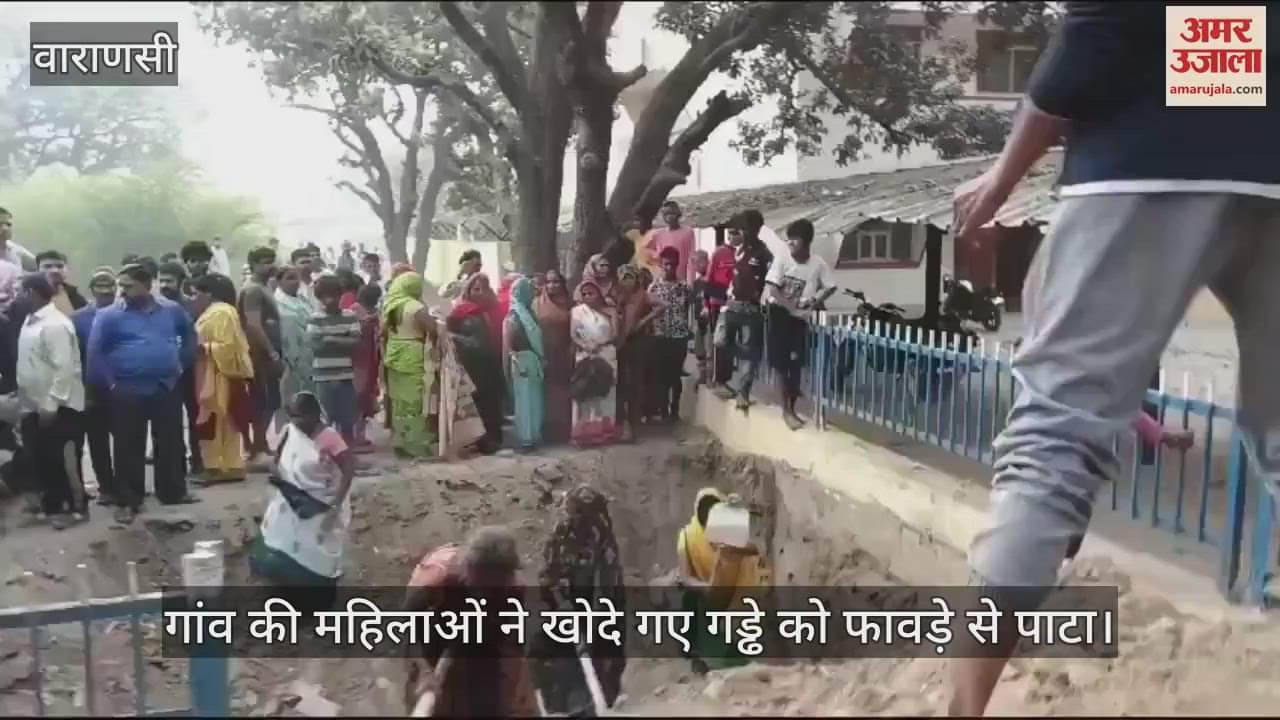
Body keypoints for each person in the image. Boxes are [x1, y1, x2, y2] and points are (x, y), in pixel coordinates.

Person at [947, 2, 1280, 714]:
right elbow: (1224, 40)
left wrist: (1001, 178)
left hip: (1140, 162)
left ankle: (965, 708)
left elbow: (1102, 34)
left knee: (1056, 433)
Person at [88, 263, 199, 524]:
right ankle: (128, 500)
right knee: (128, 446)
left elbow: (190, 334)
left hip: (165, 386)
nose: (121, 292)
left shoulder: (170, 310)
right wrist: (111, 383)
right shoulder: (109, 315)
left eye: (128, 286)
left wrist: (181, 363)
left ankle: (172, 492)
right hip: (127, 390)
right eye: (120, 286)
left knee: (170, 442)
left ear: (147, 285)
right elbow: (96, 352)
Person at [402, 526, 538, 718]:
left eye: (495, 584)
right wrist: (424, 669)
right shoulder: (436, 578)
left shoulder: (512, 590)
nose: (487, 591)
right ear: (469, 568)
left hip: (479, 632)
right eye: (483, 583)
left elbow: (511, 643)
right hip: (435, 628)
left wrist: (517, 687)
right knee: (429, 697)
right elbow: (407, 625)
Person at [249, 391, 354, 613]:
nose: (297, 423)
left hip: (322, 505)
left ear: (315, 415)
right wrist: (277, 473)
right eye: (294, 417)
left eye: (301, 417)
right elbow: (277, 459)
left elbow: (348, 469)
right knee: (282, 545)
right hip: (291, 499)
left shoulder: (329, 437)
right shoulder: (290, 431)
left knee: (317, 553)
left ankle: (319, 603)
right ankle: (286, 598)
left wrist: (336, 505)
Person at [533, 486, 626, 714]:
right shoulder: (561, 533)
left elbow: (607, 587)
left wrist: (592, 627)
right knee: (546, 651)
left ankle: (606, 700)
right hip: (564, 601)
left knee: (608, 649)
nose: (572, 517)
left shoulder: (602, 535)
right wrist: (564, 610)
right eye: (571, 512)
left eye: (578, 513)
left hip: (600, 602)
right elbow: (547, 576)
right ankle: (558, 704)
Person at [16, 273, 87, 530]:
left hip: (58, 405)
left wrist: (52, 402)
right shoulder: (29, 321)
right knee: (42, 456)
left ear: (32, 293)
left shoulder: (55, 324)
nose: (15, 296)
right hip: (33, 404)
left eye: (19, 291)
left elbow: (64, 368)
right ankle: (53, 504)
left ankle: (75, 508)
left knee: (63, 457)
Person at [677, 488, 763, 673]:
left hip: (738, 590)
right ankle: (694, 653)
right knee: (687, 597)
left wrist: (734, 547)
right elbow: (685, 577)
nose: (708, 515)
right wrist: (706, 587)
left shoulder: (730, 527)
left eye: (713, 509)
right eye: (704, 510)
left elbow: (756, 549)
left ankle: (740, 655)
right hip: (708, 590)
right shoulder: (687, 535)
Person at [765, 218, 835, 430]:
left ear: (806, 242)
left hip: (800, 318)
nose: (790, 245)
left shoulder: (817, 263)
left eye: (794, 241)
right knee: (780, 364)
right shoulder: (782, 259)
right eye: (788, 241)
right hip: (779, 314)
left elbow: (831, 286)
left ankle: (792, 405)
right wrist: (791, 308)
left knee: (796, 363)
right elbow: (773, 290)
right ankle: (786, 409)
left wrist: (814, 303)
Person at [192, 274, 255, 485]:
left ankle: (224, 466)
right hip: (211, 371)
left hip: (220, 374)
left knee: (221, 420)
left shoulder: (221, 313)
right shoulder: (216, 312)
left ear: (208, 293)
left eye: (196, 293)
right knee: (219, 420)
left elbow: (227, 347)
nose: (194, 299)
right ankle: (221, 464)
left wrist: (203, 348)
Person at [712, 210, 772, 412]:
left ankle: (743, 392)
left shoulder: (764, 254)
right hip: (732, 305)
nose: (745, 233)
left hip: (751, 308)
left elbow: (770, 283)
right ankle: (721, 380)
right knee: (719, 341)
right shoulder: (737, 251)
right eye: (743, 229)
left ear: (757, 229)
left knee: (749, 353)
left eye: (749, 229)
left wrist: (761, 300)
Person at [71, 268, 118, 507]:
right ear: (91, 289)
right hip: (92, 390)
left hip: (121, 388)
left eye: (109, 285)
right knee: (98, 442)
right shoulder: (78, 318)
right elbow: (74, 357)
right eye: (99, 286)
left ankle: (126, 486)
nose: (104, 291)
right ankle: (106, 488)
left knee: (124, 440)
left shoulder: (124, 314)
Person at [447, 273, 506, 454]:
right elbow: (462, 338)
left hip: (492, 362)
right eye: (475, 289)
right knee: (476, 402)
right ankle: (478, 441)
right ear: (468, 290)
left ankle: (492, 440)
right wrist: (453, 337)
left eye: (484, 289)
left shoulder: (493, 311)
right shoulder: (462, 312)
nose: (480, 293)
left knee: (491, 404)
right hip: (470, 364)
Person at [382, 271, 438, 459]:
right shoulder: (414, 306)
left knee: (399, 402)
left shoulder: (390, 305)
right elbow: (432, 329)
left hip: (393, 353)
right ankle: (417, 445)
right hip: (413, 353)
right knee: (415, 400)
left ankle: (400, 441)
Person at [237, 246, 285, 465]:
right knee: (262, 401)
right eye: (265, 262)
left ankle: (261, 444)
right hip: (259, 353)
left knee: (271, 400)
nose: (270, 266)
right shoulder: (253, 290)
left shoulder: (265, 287)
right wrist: (271, 351)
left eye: (271, 261)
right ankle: (255, 449)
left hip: (267, 351)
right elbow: (254, 325)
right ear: (254, 264)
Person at [159, 260, 206, 477]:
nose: (164, 285)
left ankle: (198, 460)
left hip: (190, 370)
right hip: (165, 373)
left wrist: (184, 362)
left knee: (195, 417)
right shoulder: (155, 307)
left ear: (181, 282)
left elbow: (194, 339)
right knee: (170, 421)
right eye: (161, 280)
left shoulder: (193, 307)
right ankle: (175, 464)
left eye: (169, 281)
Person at [308, 275, 361, 445]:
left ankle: (347, 454)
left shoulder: (350, 316)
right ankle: (326, 454)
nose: (329, 300)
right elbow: (316, 347)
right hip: (323, 377)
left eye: (333, 295)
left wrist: (331, 339)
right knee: (326, 418)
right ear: (319, 297)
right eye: (324, 296)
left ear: (341, 296)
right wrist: (343, 340)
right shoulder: (314, 318)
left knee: (348, 418)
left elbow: (356, 344)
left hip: (345, 376)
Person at [615, 264, 663, 441]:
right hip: (618, 342)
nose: (627, 281)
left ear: (636, 279)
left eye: (630, 277)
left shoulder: (642, 295)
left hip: (637, 341)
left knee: (635, 382)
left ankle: (634, 423)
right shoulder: (616, 295)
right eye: (624, 277)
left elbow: (663, 305)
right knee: (619, 382)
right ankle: (620, 423)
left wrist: (643, 321)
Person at [648, 247, 696, 423]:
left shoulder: (684, 287)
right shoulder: (654, 287)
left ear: (677, 265)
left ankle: (675, 408)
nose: (669, 267)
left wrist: (691, 330)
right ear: (661, 264)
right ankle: (662, 409)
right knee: (661, 374)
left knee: (675, 374)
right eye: (666, 264)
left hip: (679, 335)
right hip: (660, 335)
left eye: (673, 264)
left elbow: (690, 310)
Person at [569, 280, 619, 447]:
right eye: (584, 294)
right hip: (585, 355)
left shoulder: (610, 311)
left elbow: (615, 334)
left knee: (605, 394)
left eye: (591, 293)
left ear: (599, 294)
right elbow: (573, 334)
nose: (588, 297)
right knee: (584, 392)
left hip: (605, 353)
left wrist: (599, 344)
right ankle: (582, 435)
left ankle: (603, 434)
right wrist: (587, 346)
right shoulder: (576, 312)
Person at [504, 276, 544, 452]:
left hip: (532, 359)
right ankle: (526, 438)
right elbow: (512, 337)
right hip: (522, 360)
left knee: (534, 399)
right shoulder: (515, 314)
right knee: (525, 400)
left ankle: (533, 435)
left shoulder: (527, 312)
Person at [273, 264, 315, 429]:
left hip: (308, 356)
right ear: (279, 281)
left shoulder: (303, 300)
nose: (294, 282)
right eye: (289, 278)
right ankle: (287, 439)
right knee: (289, 401)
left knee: (308, 401)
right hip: (287, 358)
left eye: (296, 277)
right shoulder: (276, 302)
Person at [535, 269, 574, 445]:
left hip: (564, 354)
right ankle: (547, 431)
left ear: (562, 284)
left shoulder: (570, 305)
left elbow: (576, 328)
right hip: (542, 354)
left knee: (562, 394)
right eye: (548, 282)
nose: (552, 286)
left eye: (556, 282)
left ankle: (563, 430)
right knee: (546, 395)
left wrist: (572, 348)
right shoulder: (536, 304)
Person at [352, 283, 383, 450]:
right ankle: (355, 437)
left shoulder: (374, 312)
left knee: (365, 398)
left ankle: (360, 436)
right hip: (358, 362)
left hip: (370, 361)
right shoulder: (354, 311)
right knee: (358, 398)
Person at [647, 200, 698, 283]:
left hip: (681, 280)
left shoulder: (688, 232)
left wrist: (690, 281)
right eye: (666, 214)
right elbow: (647, 252)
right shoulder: (658, 234)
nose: (669, 216)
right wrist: (657, 262)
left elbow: (691, 258)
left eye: (672, 213)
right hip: (663, 281)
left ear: (678, 214)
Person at [35, 251, 88, 317]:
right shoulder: (26, 297)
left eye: (60, 266)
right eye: (48, 266)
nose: (55, 270)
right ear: (37, 270)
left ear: (66, 269)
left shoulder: (75, 297)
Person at [690, 249, 712, 386]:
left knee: (710, 350)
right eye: (693, 263)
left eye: (697, 262)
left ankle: (711, 377)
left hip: (711, 321)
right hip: (699, 322)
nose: (695, 266)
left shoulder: (713, 280)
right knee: (699, 351)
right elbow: (693, 304)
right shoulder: (696, 283)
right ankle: (702, 376)